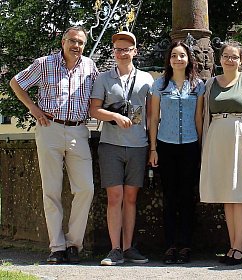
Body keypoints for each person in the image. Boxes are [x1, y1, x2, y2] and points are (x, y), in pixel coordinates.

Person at [9, 26, 97, 264]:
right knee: (51, 190)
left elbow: (98, 97)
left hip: (79, 129)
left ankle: (74, 244)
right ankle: (57, 247)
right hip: (50, 128)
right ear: (63, 41)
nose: (76, 46)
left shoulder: (90, 66)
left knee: (85, 188)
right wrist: (33, 108)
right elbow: (16, 83)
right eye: (72, 41)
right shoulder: (44, 63)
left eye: (80, 42)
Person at [90, 31, 153, 266]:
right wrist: (115, 115)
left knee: (131, 198)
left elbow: (151, 114)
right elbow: (94, 110)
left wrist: (153, 146)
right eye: (118, 49)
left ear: (135, 51)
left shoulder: (147, 78)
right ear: (113, 51)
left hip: (138, 144)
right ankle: (114, 248)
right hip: (111, 144)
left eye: (127, 49)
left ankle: (128, 247)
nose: (122, 53)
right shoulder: (103, 78)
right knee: (114, 197)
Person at [200, 41, 242, 266]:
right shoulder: (210, 83)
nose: (230, 60)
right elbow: (204, 115)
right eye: (226, 56)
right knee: (227, 195)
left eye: (234, 56)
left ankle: (239, 246)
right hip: (218, 138)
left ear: (241, 60)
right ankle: (232, 244)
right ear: (220, 59)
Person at [149, 41, 204, 264]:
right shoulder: (160, 85)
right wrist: (153, 148)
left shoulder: (198, 85)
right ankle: (170, 245)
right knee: (170, 196)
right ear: (169, 59)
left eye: (182, 56)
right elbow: (153, 118)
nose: (178, 59)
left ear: (188, 59)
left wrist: (202, 146)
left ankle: (186, 245)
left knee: (187, 196)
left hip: (190, 144)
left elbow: (199, 117)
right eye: (174, 55)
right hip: (165, 144)